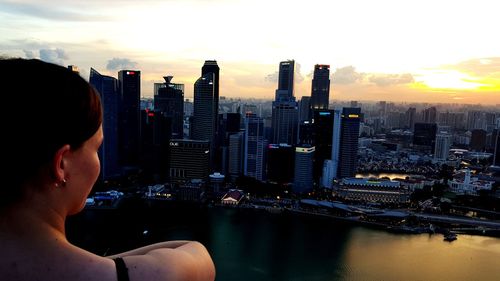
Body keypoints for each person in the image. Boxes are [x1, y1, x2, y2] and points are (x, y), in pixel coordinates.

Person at [0, 59, 216, 281]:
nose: (98, 160)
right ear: (61, 164)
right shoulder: (126, 276)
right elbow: (197, 254)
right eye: (96, 148)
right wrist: (113, 266)